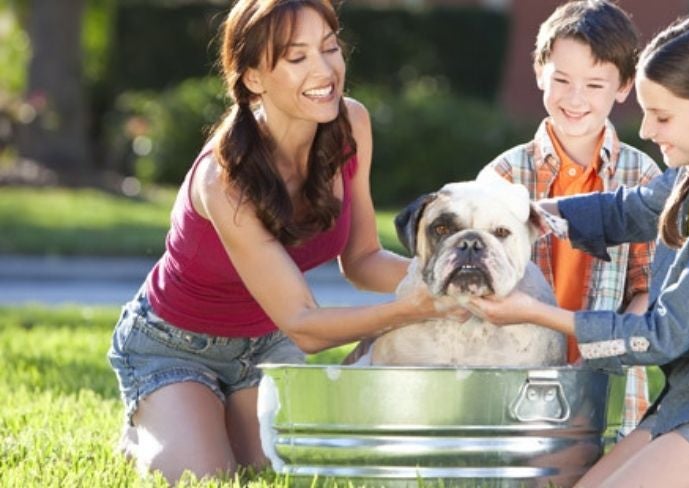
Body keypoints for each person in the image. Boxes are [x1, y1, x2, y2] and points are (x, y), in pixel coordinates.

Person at [107, 0, 458, 484]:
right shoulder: (223, 179)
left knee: (282, 469)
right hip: (175, 345)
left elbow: (361, 260)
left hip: (267, 344)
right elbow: (305, 326)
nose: (324, 69)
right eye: (297, 58)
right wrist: (416, 307)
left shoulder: (351, 125)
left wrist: (446, 279)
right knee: (210, 477)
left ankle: (211, 416)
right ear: (253, 77)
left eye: (330, 48)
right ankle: (149, 424)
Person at [469, 14, 689, 488]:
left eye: (661, 117)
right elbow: (624, 210)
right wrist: (530, 211)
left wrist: (531, 312)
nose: (645, 131)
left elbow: (660, 335)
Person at [480, 0, 659, 439]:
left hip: (609, 385)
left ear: (623, 87)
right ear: (540, 70)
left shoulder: (642, 177)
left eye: (595, 85)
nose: (576, 99)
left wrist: (605, 350)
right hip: (514, 384)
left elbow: (648, 290)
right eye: (561, 79)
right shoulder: (502, 177)